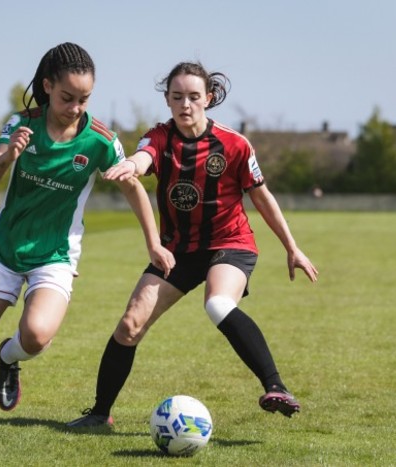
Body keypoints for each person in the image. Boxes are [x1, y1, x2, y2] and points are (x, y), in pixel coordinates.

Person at [0, 42, 174, 439]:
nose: (75, 106)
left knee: (37, 337)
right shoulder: (23, 122)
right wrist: (8, 157)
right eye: (66, 97)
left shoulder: (100, 140)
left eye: (84, 98)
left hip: (55, 255)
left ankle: (9, 357)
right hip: (4, 250)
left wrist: (154, 243)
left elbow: (133, 188)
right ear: (47, 86)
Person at [66, 61, 319, 429]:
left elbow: (262, 198)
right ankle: (100, 414)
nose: (185, 104)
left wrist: (292, 247)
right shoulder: (160, 137)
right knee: (129, 325)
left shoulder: (234, 144)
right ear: (168, 100)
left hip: (229, 244)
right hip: (177, 250)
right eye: (177, 96)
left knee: (217, 303)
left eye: (194, 97)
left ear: (209, 98)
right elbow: (144, 156)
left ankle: (276, 387)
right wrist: (132, 167)